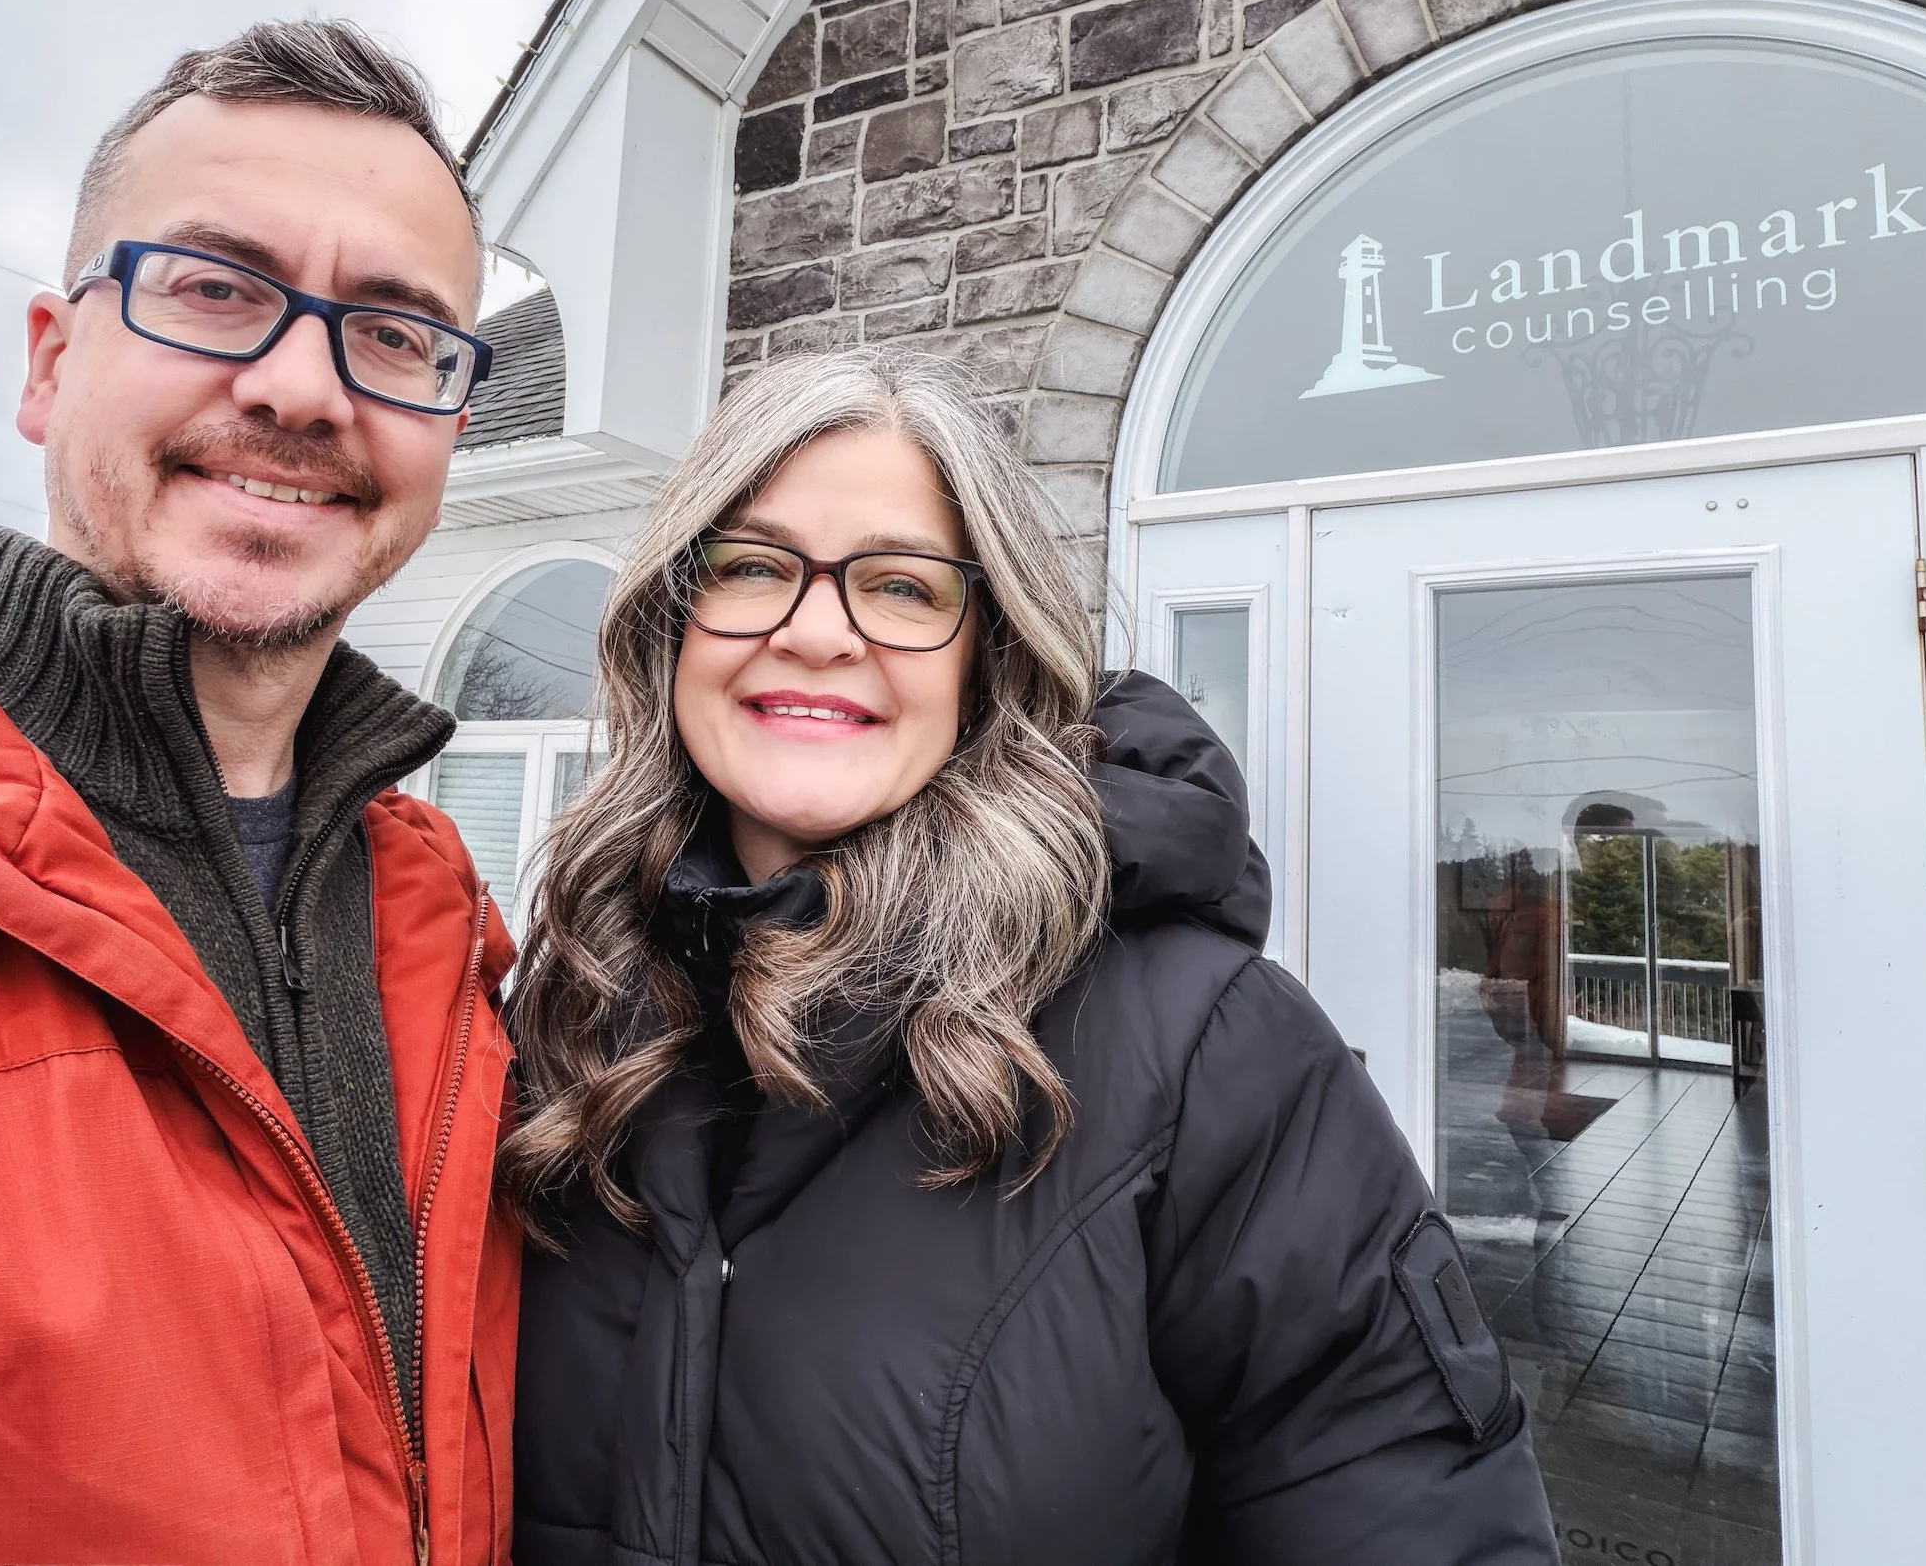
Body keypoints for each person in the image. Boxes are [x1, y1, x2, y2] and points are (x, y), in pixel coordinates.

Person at [0, 21, 519, 1564]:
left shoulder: (455, 934)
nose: (304, 386)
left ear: (453, 420)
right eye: (216, 289)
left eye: (399, 336)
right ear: (51, 361)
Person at [505, 348, 1557, 1565]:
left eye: (901, 588)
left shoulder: (1209, 1050)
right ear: (671, 621)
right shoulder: (567, 1014)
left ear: (984, 657)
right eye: (751, 566)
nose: (815, 631)